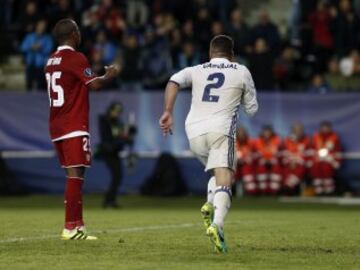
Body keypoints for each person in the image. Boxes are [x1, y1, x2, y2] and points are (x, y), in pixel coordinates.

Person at [159, 35, 258, 253]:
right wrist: (238, 97)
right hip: (221, 129)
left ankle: (210, 203)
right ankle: (218, 226)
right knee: (226, 177)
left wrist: (167, 111)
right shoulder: (241, 70)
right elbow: (252, 109)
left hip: (193, 133)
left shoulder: (196, 69)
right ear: (232, 54)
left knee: (217, 174)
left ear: (210, 53)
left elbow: (173, 81)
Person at [44, 19, 119, 240]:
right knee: (76, 175)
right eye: (78, 31)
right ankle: (71, 227)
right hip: (73, 124)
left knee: (73, 174)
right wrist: (109, 75)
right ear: (74, 34)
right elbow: (93, 84)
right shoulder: (75, 58)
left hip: (56, 124)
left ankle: (77, 225)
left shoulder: (50, 61)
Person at [98, 102, 136, 208]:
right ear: (110, 110)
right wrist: (123, 139)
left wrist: (128, 136)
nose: (116, 113)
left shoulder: (117, 123)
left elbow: (123, 136)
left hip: (114, 152)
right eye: (115, 111)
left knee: (117, 177)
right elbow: (109, 139)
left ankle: (110, 200)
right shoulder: (105, 121)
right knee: (117, 176)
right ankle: (108, 200)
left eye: (118, 112)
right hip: (108, 152)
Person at [20, 20, 53, 91]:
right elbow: (23, 47)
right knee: (29, 86)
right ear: (37, 26)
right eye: (40, 25)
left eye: (43, 26)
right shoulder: (29, 36)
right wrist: (31, 47)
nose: (41, 27)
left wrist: (40, 48)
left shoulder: (47, 38)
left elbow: (49, 50)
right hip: (30, 64)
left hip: (41, 65)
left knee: (40, 87)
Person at [310, 121, 342, 195]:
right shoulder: (316, 136)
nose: (325, 129)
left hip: (330, 160)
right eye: (323, 128)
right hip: (318, 159)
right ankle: (318, 191)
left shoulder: (334, 137)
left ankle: (329, 192)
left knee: (327, 172)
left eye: (327, 128)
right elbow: (312, 149)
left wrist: (337, 161)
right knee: (316, 171)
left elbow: (338, 150)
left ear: (330, 128)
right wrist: (313, 159)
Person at [282, 123, 313, 195]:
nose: (298, 132)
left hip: (302, 164)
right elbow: (284, 154)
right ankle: (286, 187)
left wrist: (299, 161)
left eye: (300, 130)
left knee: (299, 170)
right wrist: (290, 161)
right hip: (289, 163)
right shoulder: (287, 140)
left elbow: (309, 154)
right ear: (292, 131)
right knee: (284, 170)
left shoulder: (307, 140)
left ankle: (288, 187)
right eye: (296, 130)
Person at [253, 125, 282, 195]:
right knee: (260, 168)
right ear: (263, 132)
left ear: (271, 132)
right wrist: (265, 158)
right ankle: (263, 190)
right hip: (262, 161)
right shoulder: (258, 140)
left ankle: (274, 191)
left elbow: (276, 152)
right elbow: (259, 152)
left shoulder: (277, 139)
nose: (267, 133)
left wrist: (271, 158)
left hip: (273, 161)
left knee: (276, 168)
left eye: (268, 131)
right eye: (265, 132)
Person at [234, 126, 256, 196]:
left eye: (243, 133)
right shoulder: (233, 142)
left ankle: (249, 193)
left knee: (248, 176)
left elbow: (254, 154)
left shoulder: (251, 142)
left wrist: (247, 158)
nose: (241, 135)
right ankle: (234, 192)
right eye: (239, 133)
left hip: (247, 165)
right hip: (235, 165)